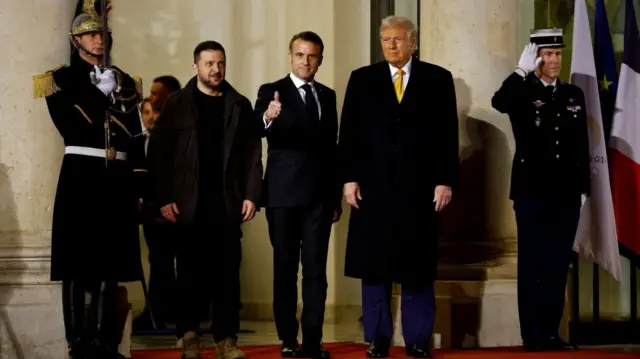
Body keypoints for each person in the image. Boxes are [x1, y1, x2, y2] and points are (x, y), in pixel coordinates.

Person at [338, 16, 459, 358]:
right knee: (374, 268)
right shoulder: (362, 79)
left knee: (417, 267)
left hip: (419, 192)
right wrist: (347, 178)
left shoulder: (438, 79)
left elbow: (448, 136)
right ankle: (377, 338)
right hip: (373, 191)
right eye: (386, 39)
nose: (391, 45)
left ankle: (417, 340)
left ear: (413, 42)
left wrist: (445, 180)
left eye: (398, 39)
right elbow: (347, 135)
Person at [33, 1, 145, 358]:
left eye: (102, 34)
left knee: (109, 264)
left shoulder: (126, 81)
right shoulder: (59, 80)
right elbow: (71, 126)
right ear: (76, 39)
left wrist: (140, 185)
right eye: (91, 34)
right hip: (82, 177)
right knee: (77, 264)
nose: (98, 40)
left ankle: (103, 340)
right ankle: (77, 342)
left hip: (117, 180)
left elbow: (135, 136)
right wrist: (99, 95)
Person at [148, 40, 263, 359]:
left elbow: (252, 153)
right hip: (188, 204)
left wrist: (253, 195)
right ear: (195, 66)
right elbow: (159, 153)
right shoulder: (178, 103)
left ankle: (226, 340)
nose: (216, 69)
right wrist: (164, 198)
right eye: (210, 63)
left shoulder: (238, 103)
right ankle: (188, 337)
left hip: (226, 204)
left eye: (221, 63)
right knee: (188, 275)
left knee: (228, 276)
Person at [491, 28, 588, 352]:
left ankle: (550, 333)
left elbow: (580, 144)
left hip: (566, 194)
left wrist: (584, 188)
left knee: (557, 266)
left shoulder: (573, 94)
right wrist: (520, 71)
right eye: (548, 54)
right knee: (532, 264)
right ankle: (532, 335)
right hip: (532, 193)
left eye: (558, 53)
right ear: (535, 58)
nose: (555, 59)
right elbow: (498, 101)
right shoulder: (521, 91)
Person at [254, 31, 341, 359]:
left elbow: (333, 148)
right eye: (300, 55)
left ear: (320, 59)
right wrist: (268, 116)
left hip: (319, 197)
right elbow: (255, 128)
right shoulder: (271, 91)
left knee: (316, 269)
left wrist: (335, 197)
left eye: (313, 56)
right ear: (291, 57)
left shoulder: (328, 96)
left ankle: (314, 340)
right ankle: (288, 338)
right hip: (283, 195)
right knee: (285, 267)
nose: (306, 61)